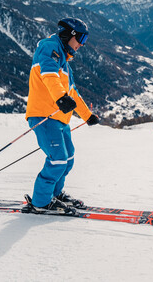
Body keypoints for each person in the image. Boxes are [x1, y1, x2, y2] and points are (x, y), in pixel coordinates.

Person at [24, 17, 100, 214]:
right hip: (44, 116)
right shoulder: (49, 47)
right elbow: (49, 75)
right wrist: (60, 98)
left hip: (60, 118)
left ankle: (55, 194)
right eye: (81, 39)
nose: (82, 44)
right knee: (57, 159)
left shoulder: (65, 62)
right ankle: (40, 202)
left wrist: (87, 115)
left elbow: (72, 92)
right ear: (70, 35)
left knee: (68, 159)